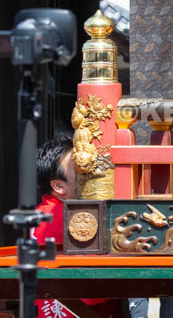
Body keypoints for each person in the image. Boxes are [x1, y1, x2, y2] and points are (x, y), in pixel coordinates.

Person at [34, 134, 123, 318]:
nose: (88, 171)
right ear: (58, 186)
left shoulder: (43, 211)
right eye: (79, 168)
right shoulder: (64, 216)